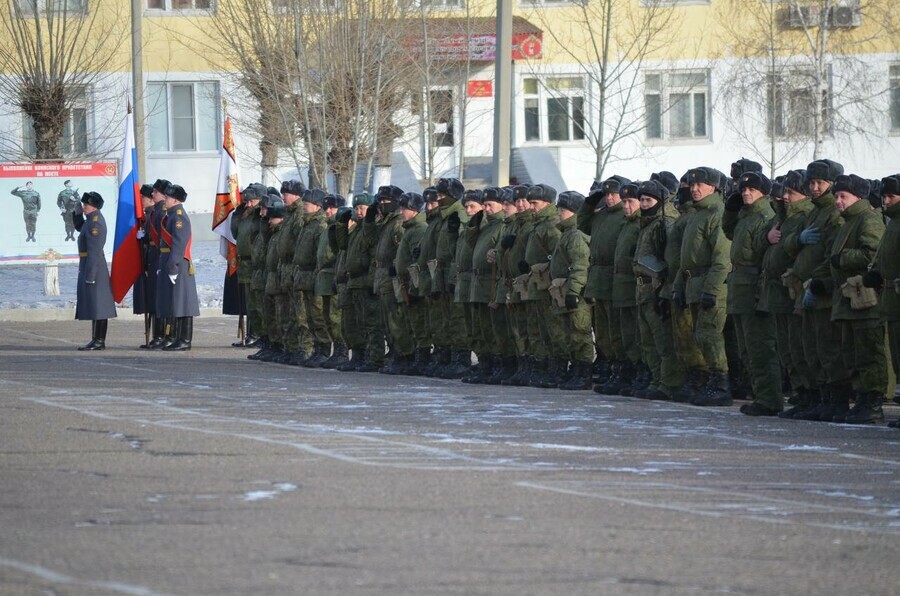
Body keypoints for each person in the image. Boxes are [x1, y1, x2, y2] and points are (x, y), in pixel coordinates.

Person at [826, 174, 886, 423]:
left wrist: (843, 259)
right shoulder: (848, 222)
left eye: (843, 196)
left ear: (858, 197)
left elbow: (872, 253)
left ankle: (872, 403)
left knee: (868, 353)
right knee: (852, 353)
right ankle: (862, 400)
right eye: (837, 196)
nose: (838, 201)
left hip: (865, 300)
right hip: (849, 299)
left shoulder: (867, 220)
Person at [722, 172, 782, 416]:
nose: (746, 193)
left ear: (763, 193)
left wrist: (766, 240)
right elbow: (728, 231)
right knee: (747, 349)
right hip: (739, 286)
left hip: (754, 286)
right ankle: (761, 395)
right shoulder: (746, 216)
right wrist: (730, 209)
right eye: (744, 190)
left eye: (752, 190)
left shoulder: (766, 216)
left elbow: (763, 251)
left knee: (760, 347)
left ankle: (769, 399)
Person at [672, 167, 732, 406]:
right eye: (693, 186)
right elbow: (685, 259)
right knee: (700, 336)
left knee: (710, 336)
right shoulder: (697, 214)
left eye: (701, 185)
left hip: (709, 284)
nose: (695, 190)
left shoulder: (717, 214)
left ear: (713, 188)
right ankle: (708, 381)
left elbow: (722, 258)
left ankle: (721, 385)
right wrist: (679, 286)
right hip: (693, 283)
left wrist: (712, 289)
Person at [578, 176, 630, 384]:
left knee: (616, 329)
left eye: (614, 194)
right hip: (598, 278)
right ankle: (611, 366)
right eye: (606, 194)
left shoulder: (624, 216)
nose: (609, 198)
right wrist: (590, 203)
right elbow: (581, 224)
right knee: (602, 331)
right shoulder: (600, 217)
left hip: (613, 276)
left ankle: (621, 369)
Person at [864, 174, 900, 427]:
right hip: (891, 299)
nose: (886, 201)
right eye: (885, 197)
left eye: (891, 197)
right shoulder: (893, 222)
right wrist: (876, 271)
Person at [550, 190, 594, 390]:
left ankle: (583, 373)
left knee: (579, 333)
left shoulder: (575, 236)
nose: (559, 213)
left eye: (563, 210)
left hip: (573, 294)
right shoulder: (566, 234)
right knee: (567, 334)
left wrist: (574, 292)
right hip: (562, 292)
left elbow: (580, 265)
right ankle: (574, 371)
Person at [156, 183, 200, 351]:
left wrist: (172, 265)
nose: (164, 199)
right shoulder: (171, 215)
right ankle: (178, 338)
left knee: (183, 303)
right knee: (175, 302)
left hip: (179, 263)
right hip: (170, 261)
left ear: (174, 199)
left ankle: (185, 340)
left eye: (167, 197)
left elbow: (179, 244)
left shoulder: (178, 216)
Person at [75, 191, 117, 350]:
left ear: (94, 205)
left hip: (94, 266)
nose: (84, 206)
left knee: (99, 305)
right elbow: (80, 227)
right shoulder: (90, 220)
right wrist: (77, 212)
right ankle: (96, 339)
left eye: (86, 204)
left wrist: (90, 274)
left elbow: (94, 250)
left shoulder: (96, 223)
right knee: (94, 304)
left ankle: (99, 340)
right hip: (89, 264)